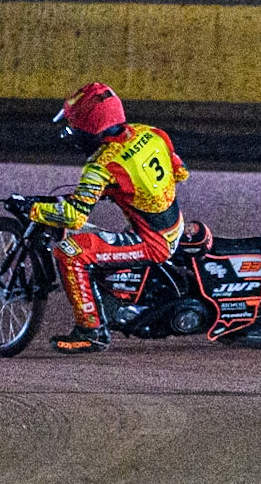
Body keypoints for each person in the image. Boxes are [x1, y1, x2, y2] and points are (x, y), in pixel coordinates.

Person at [28, 83, 189, 354]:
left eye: (73, 127)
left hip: (153, 242)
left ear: (89, 129)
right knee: (96, 242)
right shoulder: (150, 133)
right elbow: (180, 172)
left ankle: (91, 332)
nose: (71, 133)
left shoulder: (101, 165)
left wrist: (34, 210)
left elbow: (74, 216)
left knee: (70, 252)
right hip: (173, 225)